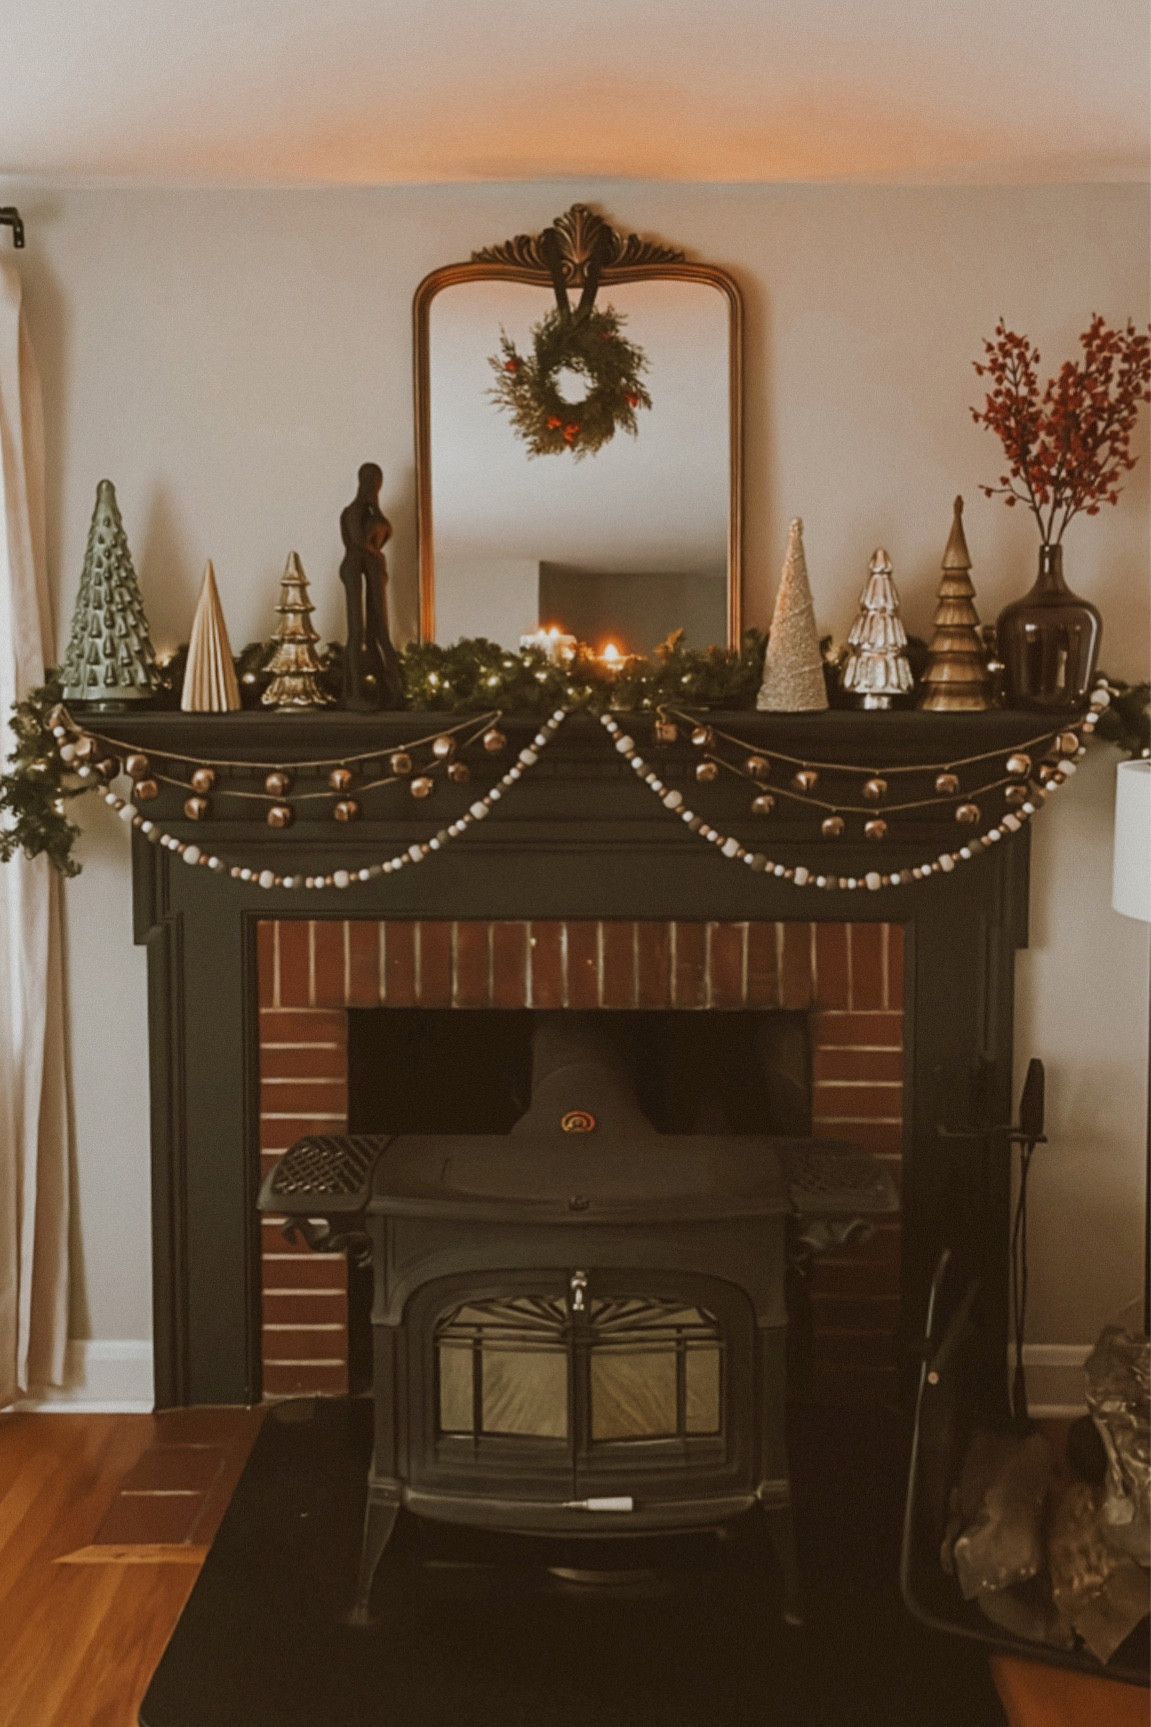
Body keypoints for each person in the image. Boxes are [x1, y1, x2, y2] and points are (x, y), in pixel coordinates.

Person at [339, 462, 403, 709]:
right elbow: (358, 541)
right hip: (355, 570)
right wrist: (377, 554)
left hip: (373, 572)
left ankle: (391, 690)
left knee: (380, 631)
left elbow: (379, 540)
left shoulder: (376, 515)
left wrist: (376, 554)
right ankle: (354, 693)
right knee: (357, 631)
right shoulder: (353, 511)